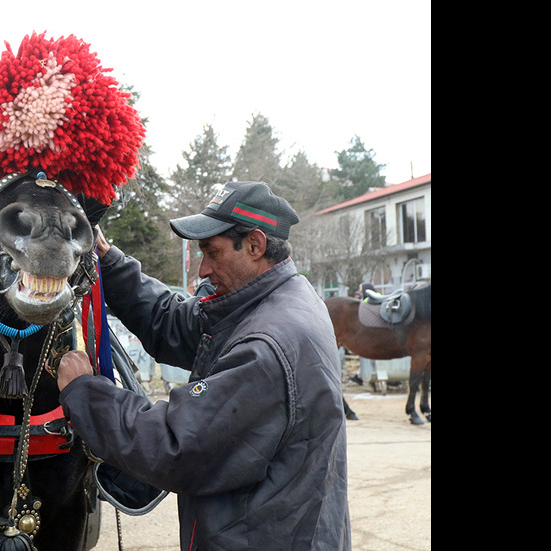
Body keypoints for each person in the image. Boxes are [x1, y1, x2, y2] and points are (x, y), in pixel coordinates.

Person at [57, 181, 351, 550]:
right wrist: (109, 260)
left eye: (212, 252)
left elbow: (177, 446)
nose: (203, 269)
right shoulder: (273, 299)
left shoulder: (267, 345)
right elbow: (174, 322)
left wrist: (86, 393)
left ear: (256, 245)